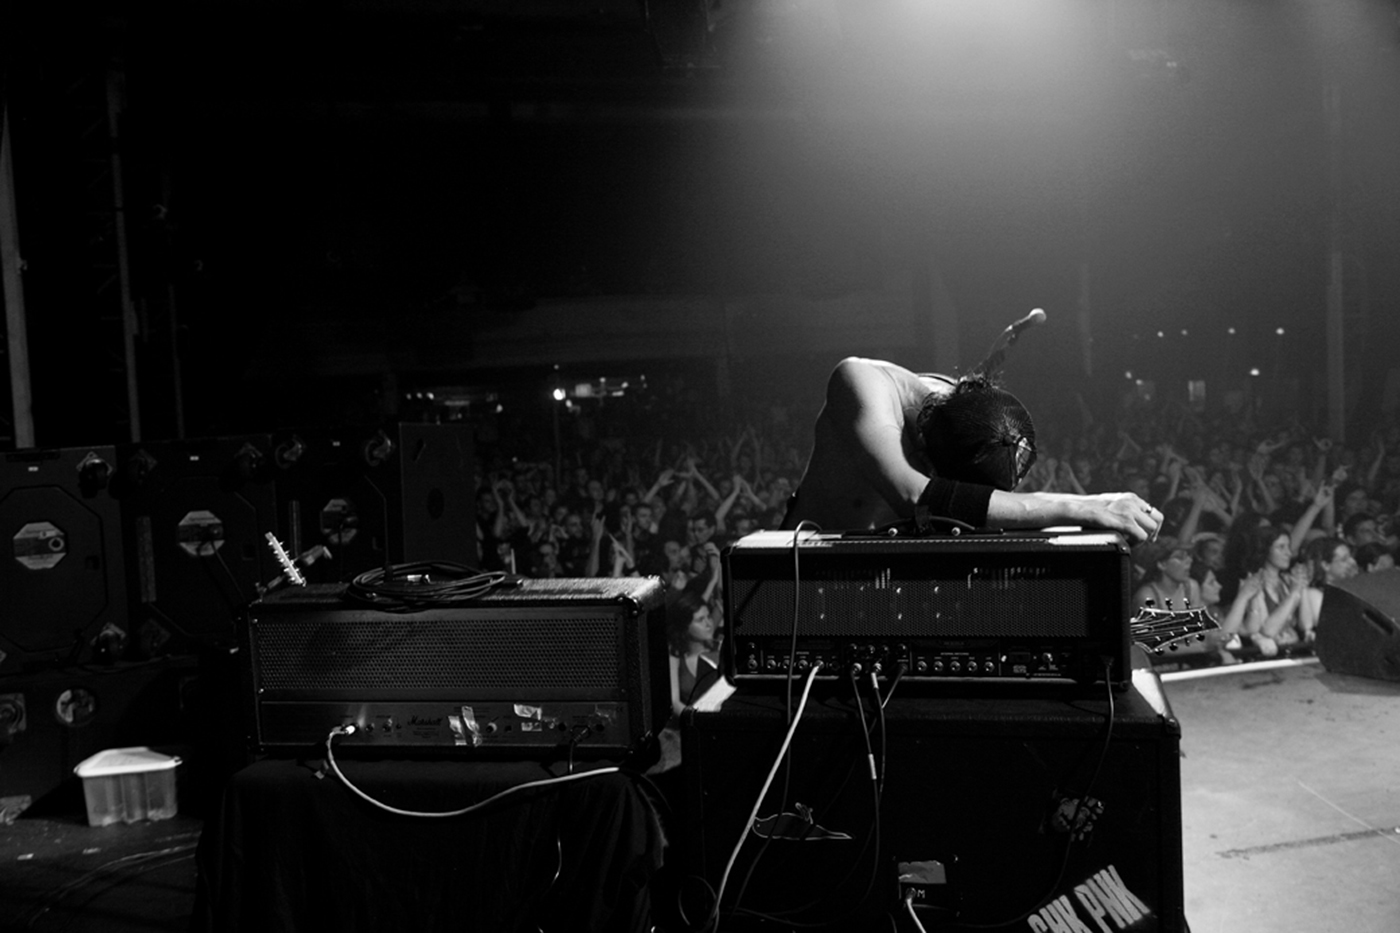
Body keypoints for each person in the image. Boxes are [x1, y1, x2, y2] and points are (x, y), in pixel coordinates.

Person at [780, 358, 1162, 540]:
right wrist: (1078, 505)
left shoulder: (976, 417)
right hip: (803, 574)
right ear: (925, 447)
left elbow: (972, 506)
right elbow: (914, 497)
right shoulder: (862, 381)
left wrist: (1098, 507)